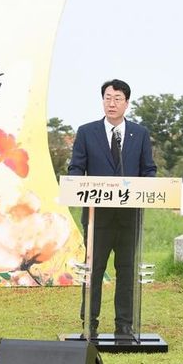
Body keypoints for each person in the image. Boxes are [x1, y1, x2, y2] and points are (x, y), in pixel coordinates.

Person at [68, 79, 157, 338]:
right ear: (102, 101)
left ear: (127, 103)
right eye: (107, 97)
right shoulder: (87, 132)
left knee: (127, 270)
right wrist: (77, 184)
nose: (112, 103)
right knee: (94, 270)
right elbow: (76, 168)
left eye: (117, 98)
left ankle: (124, 324)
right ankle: (90, 322)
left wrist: (146, 188)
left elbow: (148, 170)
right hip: (97, 217)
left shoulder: (140, 134)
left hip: (130, 217)